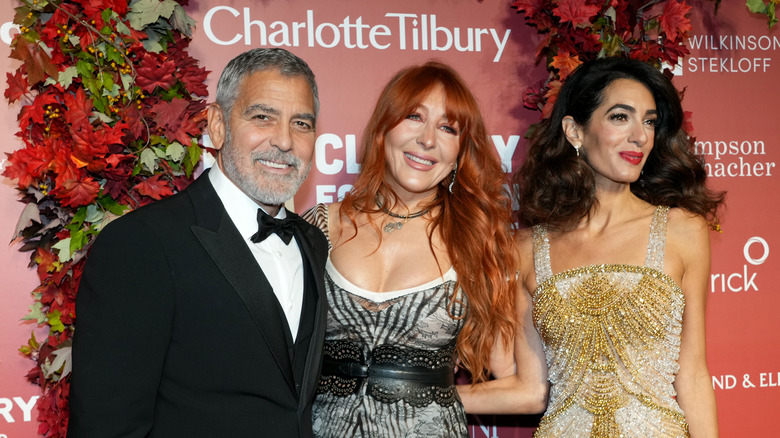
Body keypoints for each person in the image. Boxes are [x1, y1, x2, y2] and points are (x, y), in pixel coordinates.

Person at [68, 48, 329, 437]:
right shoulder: (143, 244)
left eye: (302, 124)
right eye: (262, 117)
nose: (285, 141)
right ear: (218, 125)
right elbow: (106, 425)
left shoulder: (311, 241)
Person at [302, 61, 547, 438]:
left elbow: (525, 391)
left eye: (448, 128)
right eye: (414, 117)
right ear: (384, 128)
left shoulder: (476, 243)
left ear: (459, 153)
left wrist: (424, 395)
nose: (428, 140)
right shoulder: (319, 226)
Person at [513, 57, 724, 437]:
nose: (640, 136)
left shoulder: (682, 230)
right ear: (575, 132)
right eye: (620, 117)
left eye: (649, 121)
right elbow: (530, 389)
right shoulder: (527, 247)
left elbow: (692, 375)